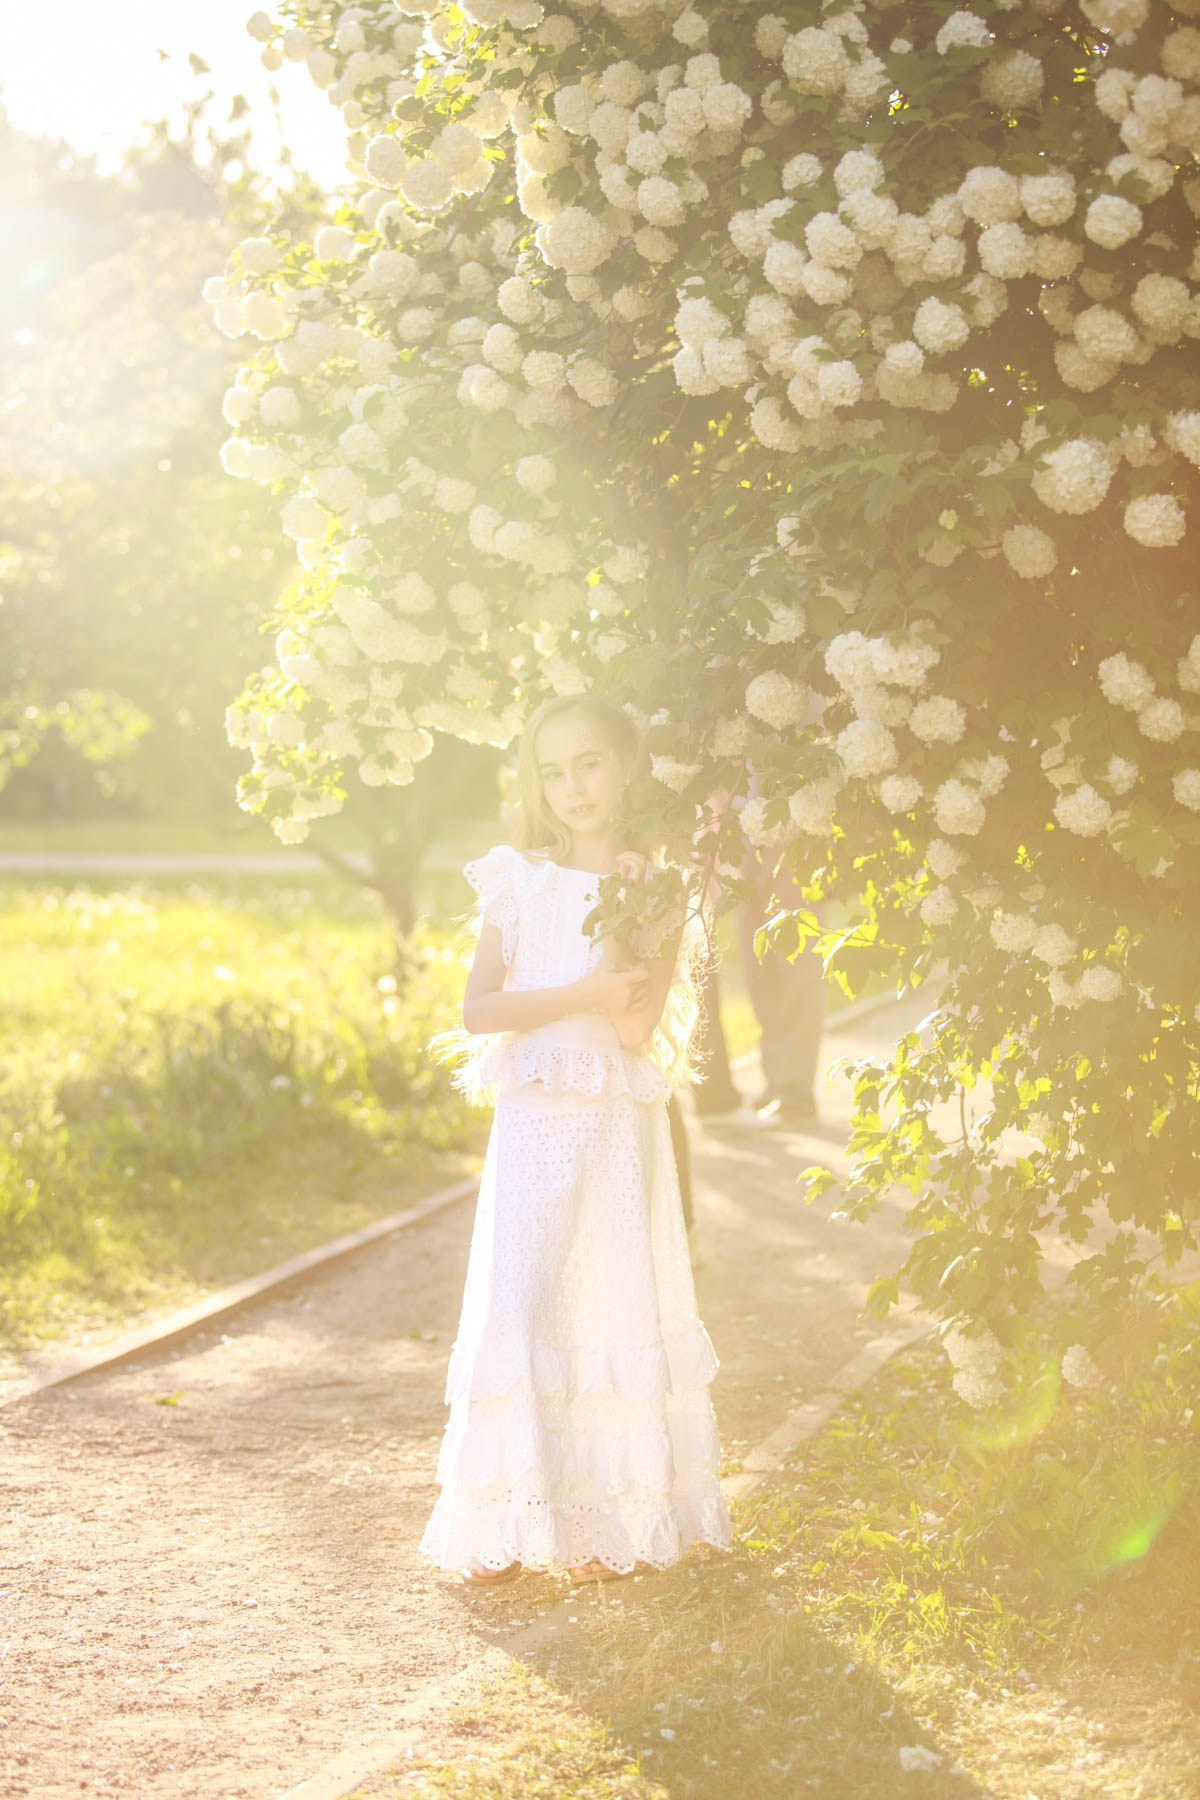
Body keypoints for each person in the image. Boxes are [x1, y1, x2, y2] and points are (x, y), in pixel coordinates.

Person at [421, 692, 733, 1586]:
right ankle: (507, 1514)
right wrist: (579, 996)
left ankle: (603, 1520)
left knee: (606, 1300)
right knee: (518, 1301)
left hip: (611, 1125)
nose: (571, 788)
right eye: (551, 771)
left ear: (626, 767)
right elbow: (480, 1010)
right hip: (533, 1120)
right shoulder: (517, 877)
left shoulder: (659, 885)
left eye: (588, 764)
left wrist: (629, 931)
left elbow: (634, 1031)